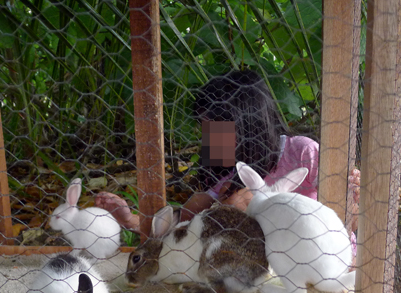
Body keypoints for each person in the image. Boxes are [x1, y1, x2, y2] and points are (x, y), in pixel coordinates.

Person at [94, 69, 359, 234]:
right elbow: (181, 220)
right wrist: (130, 220)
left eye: (216, 131)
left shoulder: (302, 153)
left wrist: (353, 198)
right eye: (205, 131)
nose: (208, 141)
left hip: (327, 261)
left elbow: (349, 217)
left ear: (247, 125)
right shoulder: (229, 176)